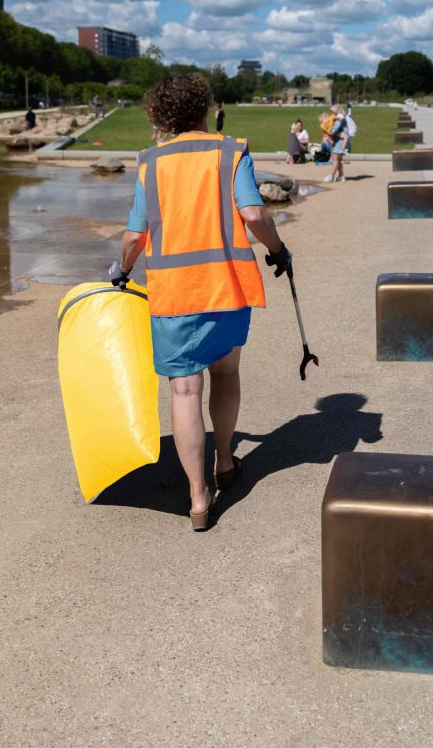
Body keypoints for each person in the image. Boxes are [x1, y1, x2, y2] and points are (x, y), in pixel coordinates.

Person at [110, 74, 292, 532]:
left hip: (174, 293)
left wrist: (121, 270)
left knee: (184, 391)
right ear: (204, 108)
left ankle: (197, 498)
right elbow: (253, 213)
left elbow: (135, 236)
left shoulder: (150, 163)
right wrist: (277, 250)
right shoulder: (231, 152)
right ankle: (225, 462)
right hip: (227, 286)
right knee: (226, 373)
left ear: (160, 117)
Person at [324, 104, 349, 183]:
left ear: (337, 111)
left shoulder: (339, 118)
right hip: (339, 140)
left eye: (332, 111)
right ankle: (341, 176)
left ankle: (331, 176)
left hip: (340, 141)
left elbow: (335, 129)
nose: (331, 113)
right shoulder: (337, 118)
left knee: (335, 159)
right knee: (338, 159)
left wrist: (329, 131)